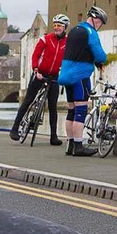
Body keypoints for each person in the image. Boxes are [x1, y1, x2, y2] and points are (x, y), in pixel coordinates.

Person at [10, 13, 70, 146]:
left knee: (53, 107)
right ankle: (14, 129)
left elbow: (69, 60)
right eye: (54, 25)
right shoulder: (45, 39)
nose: (56, 28)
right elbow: (35, 55)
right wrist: (36, 70)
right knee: (28, 101)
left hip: (54, 77)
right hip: (40, 74)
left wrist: (64, 73)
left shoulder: (68, 43)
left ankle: (53, 136)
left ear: (65, 27)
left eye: (59, 26)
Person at [57, 6, 108, 156]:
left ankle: (70, 144)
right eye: (100, 23)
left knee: (71, 110)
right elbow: (101, 56)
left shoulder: (74, 30)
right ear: (96, 20)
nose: (99, 26)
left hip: (66, 75)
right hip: (80, 76)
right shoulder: (90, 32)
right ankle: (79, 146)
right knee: (81, 110)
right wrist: (100, 61)